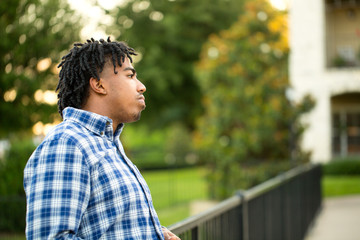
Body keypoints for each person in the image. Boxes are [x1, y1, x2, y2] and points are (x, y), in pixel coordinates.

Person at [24, 37, 180, 240]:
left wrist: (155, 234)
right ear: (98, 85)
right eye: (130, 76)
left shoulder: (108, 144)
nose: (141, 87)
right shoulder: (67, 143)